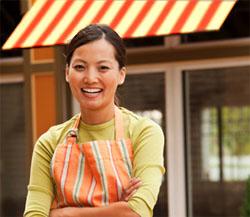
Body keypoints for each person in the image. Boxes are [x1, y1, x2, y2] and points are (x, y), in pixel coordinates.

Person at [24, 24, 165, 217]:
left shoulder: (144, 132)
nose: (90, 78)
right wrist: (115, 208)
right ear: (67, 72)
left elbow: (136, 212)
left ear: (121, 74)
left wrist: (63, 213)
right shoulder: (49, 143)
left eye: (103, 68)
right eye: (80, 67)